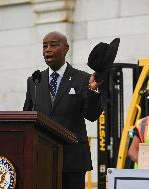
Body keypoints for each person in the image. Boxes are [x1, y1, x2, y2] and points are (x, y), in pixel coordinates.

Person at [23, 31, 102, 189]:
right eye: (44, 46)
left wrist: (93, 91)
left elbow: (92, 116)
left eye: (53, 45)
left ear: (66, 49)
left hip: (72, 160)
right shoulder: (34, 81)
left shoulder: (83, 79)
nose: (47, 49)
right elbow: (26, 117)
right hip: (41, 159)